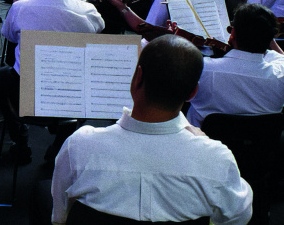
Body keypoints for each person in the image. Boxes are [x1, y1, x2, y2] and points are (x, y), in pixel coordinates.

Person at [48, 35, 252, 224]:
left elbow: (60, 216)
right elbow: (238, 216)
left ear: (137, 78)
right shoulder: (217, 158)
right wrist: (205, 142)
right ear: (192, 92)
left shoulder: (79, 145)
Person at [0, 0, 104, 164]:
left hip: (26, 96)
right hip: (69, 97)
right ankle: (60, 143)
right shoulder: (89, 12)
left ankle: (21, 141)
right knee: (88, 85)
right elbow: (98, 30)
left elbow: (9, 36)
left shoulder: (21, 7)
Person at [186, 3, 284, 127]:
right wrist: (267, 37)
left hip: (203, 143)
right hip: (259, 145)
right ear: (269, 38)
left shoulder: (202, 69)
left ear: (232, 33)